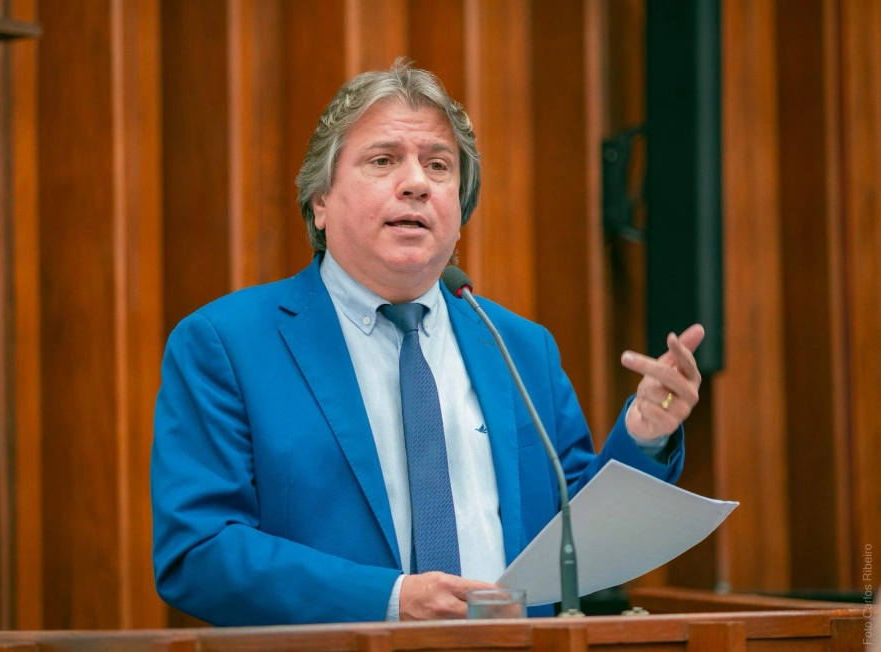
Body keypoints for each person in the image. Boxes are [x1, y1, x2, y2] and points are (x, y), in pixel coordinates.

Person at [151, 59, 704, 627]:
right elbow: (198, 552)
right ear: (320, 201)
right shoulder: (228, 344)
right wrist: (391, 600)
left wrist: (645, 436)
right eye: (383, 160)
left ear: (459, 211)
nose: (416, 182)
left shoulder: (518, 346)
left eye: (438, 165)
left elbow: (572, 540)